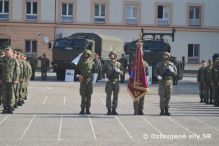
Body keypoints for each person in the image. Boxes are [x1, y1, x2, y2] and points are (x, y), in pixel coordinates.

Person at [154, 52, 177, 116]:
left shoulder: (171, 64)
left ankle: (166, 110)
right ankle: (162, 110)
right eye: (164, 55)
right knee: (162, 97)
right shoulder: (159, 64)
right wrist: (158, 76)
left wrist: (172, 71)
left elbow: (175, 73)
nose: (165, 56)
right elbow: (155, 72)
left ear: (168, 56)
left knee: (168, 97)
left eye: (166, 55)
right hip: (161, 83)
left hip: (169, 82)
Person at [0, 47, 20, 114]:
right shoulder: (2, 59)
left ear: (11, 53)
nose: (7, 54)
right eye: (6, 52)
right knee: (4, 94)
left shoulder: (14, 60)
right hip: (3, 80)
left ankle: (10, 107)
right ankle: (5, 107)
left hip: (11, 80)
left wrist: (16, 79)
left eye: (8, 53)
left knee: (11, 94)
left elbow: (17, 71)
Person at [103, 51, 123, 115]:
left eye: (113, 54)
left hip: (116, 82)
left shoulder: (119, 64)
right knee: (108, 96)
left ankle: (114, 109)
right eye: (111, 54)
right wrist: (104, 77)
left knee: (115, 96)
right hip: (109, 82)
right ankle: (109, 110)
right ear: (109, 56)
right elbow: (102, 72)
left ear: (115, 55)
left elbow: (123, 72)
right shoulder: (106, 64)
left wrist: (119, 71)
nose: (112, 56)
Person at [77, 49, 97, 115]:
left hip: (89, 81)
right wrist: (79, 76)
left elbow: (95, 71)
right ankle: (82, 109)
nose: (86, 55)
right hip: (83, 81)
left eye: (87, 54)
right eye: (85, 54)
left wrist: (94, 80)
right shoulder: (80, 62)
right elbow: (77, 70)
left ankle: (88, 109)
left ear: (89, 55)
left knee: (89, 96)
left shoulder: (92, 63)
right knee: (83, 96)